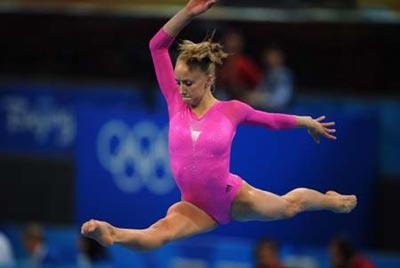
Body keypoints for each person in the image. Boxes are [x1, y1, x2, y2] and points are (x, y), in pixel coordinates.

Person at [81, 0, 357, 251]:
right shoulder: (175, 102)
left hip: (231, 196)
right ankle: (112, 233)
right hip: (194, 206)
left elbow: (271, 121)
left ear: (208, 80)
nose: (181, 89)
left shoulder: (231, 110)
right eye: (178, 82)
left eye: (188, 83)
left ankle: (329, 200)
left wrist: (305, 121)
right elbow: (157, 46)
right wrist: (187, 13)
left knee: (289, 206)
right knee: (159, 233)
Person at [217, 30, 263, 102]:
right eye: (229, 40)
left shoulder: (245, 63)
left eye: (234, 41)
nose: (231, 44)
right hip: (224, 96)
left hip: (243, 97)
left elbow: (258, 82)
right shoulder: (219, 62)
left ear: (240, 44)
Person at [249, 46, 294, 111]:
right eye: (268, 56)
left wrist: (262, 99)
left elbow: (281, 100)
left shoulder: (283, 74)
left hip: (280, 111)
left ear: (280, 58)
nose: (269, 59)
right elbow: (260, 90)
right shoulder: (268, 72)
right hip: (266, 109)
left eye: (273, 56)